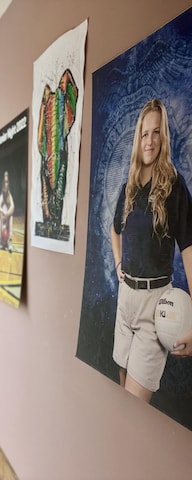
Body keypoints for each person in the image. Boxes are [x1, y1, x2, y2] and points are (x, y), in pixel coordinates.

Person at [110, 99, 192, 402]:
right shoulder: (129, 186)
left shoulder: (173, 186)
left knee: (134, 405)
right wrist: (119, 264)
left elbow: (189, 247)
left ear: (164, 137)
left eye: (156, 132)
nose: (150, 140)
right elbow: (114, 230)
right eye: (145, 133)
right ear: (138, 138)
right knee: (121, 396)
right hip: (125, 299)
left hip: (155, 306)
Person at [0, 170, 14, 252]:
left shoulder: (9, 195)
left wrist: (7, 214)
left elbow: (13, 207)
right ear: (2, 184)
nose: (5, 184)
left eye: (7, 182)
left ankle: (10, 241)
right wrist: (3, 213)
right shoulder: (1, 195)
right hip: (2, 220)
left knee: (11, 217)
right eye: (4, 182)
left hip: (7, 221)